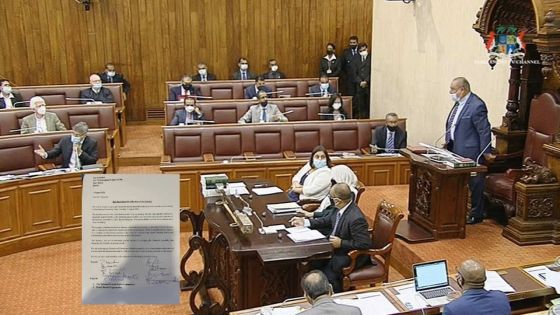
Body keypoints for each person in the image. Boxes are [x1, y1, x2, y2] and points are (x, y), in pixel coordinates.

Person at [290, 183, 372, 293]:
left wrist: (341, 243)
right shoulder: (339, 208)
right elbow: (327, 220)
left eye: (331, 197)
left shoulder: (356, 218)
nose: (330, 199)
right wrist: (305, 222)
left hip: (347, 256)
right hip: (333, 249)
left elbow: (365, 244)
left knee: (326, 276)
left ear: (337, 200)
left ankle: (335, 296)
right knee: (312, 264)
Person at [445, 77, 492, 224]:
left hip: (471, 152)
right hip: (455, 148)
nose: (450, 92)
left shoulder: (476, 105)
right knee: (458, 182)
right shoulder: (459, 102)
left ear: (462, 89)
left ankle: (476, 214)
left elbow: (484, 131)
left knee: (475, 183)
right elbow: (454, 123)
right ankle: (458, 210)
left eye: (453, 89)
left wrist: (486, 152)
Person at [299, 165, 359, 236]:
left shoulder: (347, 193)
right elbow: (332, 214)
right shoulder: (337, 190)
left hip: (329, 228)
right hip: (325, 221)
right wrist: (309, 218)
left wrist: (312, 216)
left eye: (333, 179)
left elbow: (332, 214)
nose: (331, 182)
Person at [443, 260, 511, 315]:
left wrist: (461, 301)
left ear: (460, 279)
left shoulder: (452, 308)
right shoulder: (501, 296)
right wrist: (462, 299)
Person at [34, 122, 98, 170]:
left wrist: (80, 153)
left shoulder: (91, 142)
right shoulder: (66, 140)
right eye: (73, 133)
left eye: (77, 135)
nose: (74, 136)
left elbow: (92, 161)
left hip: (84, 171)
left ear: (84, 135)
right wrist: (45, 154)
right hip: (67, 170)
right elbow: (56, 152)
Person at [352, 43, 372, 119]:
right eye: (361, 50)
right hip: (359, 85)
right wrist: (360, 81)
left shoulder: (371, 58)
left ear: (367, 49)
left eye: (364, 50)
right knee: (360, 104)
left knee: (368, 104)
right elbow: (354, 72)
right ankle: (361, 119)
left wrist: (366, 81)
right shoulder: (356, 59)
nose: (363, 51)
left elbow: (373, 71)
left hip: (368, 85)